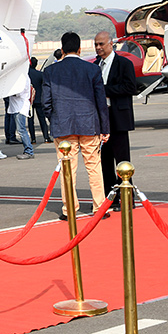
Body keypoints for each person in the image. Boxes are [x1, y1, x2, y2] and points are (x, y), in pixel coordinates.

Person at [42, 32, 110, 220]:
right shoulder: (92, 70)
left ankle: (69, 209)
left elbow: (45, 103)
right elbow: (100, 102)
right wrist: (105, 128)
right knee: (94, 167)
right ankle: (99, 207)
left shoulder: (50, 71)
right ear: (80, 49)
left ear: (62, 50)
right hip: (89, 125)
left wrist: (54, 118)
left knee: (67, 170)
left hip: (63, 127)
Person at [94, 31, 138, 210]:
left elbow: (130, 87)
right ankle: (110, 196)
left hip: (118, 117)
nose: (98, 48)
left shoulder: (124, 64)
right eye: (96, 44)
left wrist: (105, 90)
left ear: (111, 44)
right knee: (104, 160)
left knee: (122, 161)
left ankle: (127, 198)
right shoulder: (96, 65)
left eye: (101, 44)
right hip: (102, 119)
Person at [8, 80, 34, 159]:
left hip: (20, 108)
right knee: (21, 130)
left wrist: (7, 91)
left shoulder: (23, 78)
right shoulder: (22, 77)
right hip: (17, 108)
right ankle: (28, 150)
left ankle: (29, 151)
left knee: (21, 130)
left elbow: (18, 93)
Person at [28, 57, 53, 144]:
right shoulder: (40, 74)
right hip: (39, 99)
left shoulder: (26, 75)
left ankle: (33, 139)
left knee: (30, 121)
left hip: (29, 100)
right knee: (42, 119)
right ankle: (46, 137)